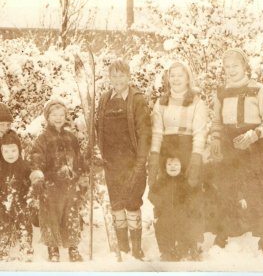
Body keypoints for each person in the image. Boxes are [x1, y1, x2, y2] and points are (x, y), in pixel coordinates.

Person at [210, 48, 263, 258]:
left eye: (235, 66)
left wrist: (254, 135)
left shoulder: (258, 89)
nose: (231, 70)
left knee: (258, 189)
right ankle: (222, 235)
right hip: (229, 143)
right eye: (227, 67)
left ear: (245, 66)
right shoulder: (221, 91)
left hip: (252, 143)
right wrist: (215, 138)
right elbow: (216, 121)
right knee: (224, 187)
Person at [148, 61, 208, 261]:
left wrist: (196, 159)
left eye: (180, 75)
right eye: (172, 76)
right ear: (168, 79)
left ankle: (188, 244)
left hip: (187, 150)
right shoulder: (161, 102)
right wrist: (155, 158)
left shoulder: (197, 102)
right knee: (166, 202)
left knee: (189, 200)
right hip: (167, 153)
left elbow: (200, 132)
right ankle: (167, 247)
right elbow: (157, 132)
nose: (175, 79)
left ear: (187, 78)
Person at [95, 59, 151, 260]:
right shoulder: (104, 99)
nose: (117, 79)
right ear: (109, 78)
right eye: (114, 75)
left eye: (121, 75)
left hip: (132, 162)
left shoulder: (137, 100)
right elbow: (97, 128)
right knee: (116, 203)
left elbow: (145, 132)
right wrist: (99, 155)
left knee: (132, 202)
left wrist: (141, 161)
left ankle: (136, 249)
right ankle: (123, 247)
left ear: (129, 77)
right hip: (111, 162)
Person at [29, 98, 88, 262]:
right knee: (51, 217)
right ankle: (53, 248)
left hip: (69, 185)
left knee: (71, 215)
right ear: (48, 117)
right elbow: (36, 158)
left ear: (66, 116)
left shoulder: (72, 138)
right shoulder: (43, 139)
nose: (58, 118)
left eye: (61, 114)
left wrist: (83, 174)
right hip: (51, 186)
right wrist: (38, 176)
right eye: (54, 114)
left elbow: (79, 159)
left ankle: (73, 248)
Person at [0, 130, 33, 262]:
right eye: (6, 151)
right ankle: (3, 244)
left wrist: (31, 191)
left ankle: (26, 245)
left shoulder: (25, 165)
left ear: (19, 150)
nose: (10, 154)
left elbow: (32, 179)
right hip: (2, 201)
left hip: (21, 200)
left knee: (23, 221)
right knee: (3, 223)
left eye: (13, 150)